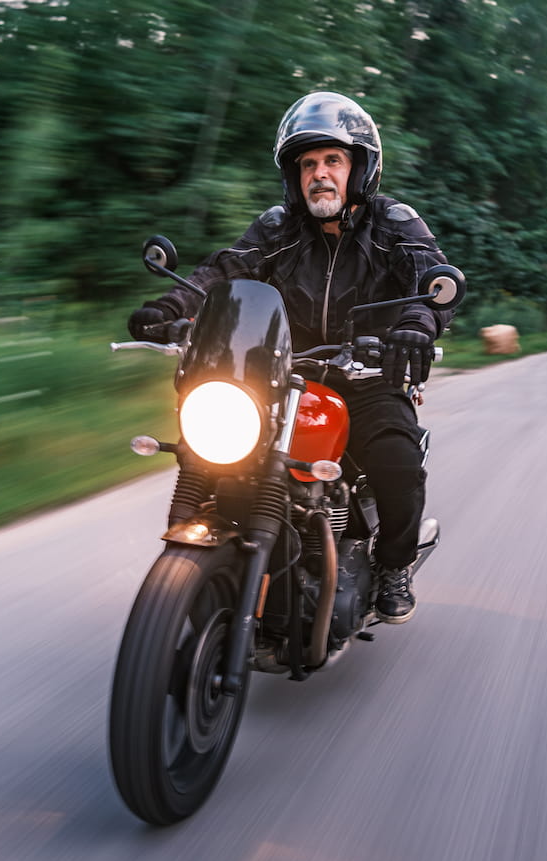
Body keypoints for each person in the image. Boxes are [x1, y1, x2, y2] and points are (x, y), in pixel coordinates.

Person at [127, 91, 457, 624]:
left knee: (396, 464)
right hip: (278, 372)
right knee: (210, 450)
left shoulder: (393, 223)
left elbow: (429, 280)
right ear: (293, 174)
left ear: (360, 168)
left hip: (368, 371)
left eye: (332, 160)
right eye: (308, 164)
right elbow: (224, 271)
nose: (319, 175)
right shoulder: (278, 227)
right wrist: (171, 305)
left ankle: (393, 564)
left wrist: (416, 328)